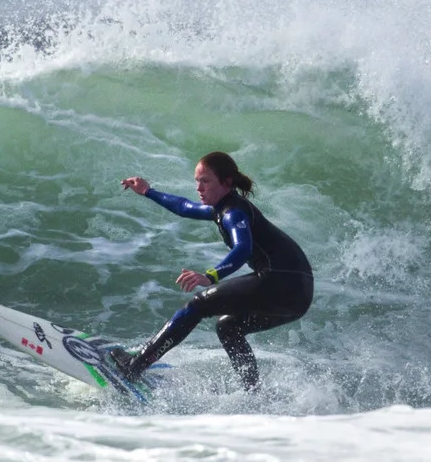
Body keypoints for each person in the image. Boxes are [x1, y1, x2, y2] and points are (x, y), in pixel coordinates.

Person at [116, 150, 312, 389]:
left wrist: (211, 276)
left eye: (205, 181)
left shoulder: (233, 213)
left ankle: (135, 366)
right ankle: (252, 390)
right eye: (197, 181)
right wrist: (148, 191)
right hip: (297, 294)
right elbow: (184, 207)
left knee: (197, 305)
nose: (199, 188)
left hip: (282, 282)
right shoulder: (221, 208)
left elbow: (242, 248)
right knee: (228, 326)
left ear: (226, 182)